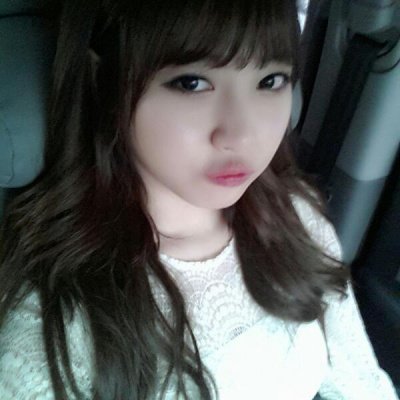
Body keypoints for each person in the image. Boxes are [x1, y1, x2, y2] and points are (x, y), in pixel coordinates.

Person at [0, 0, 398, 399]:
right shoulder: (56, 319)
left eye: (270, 81)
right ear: (104, 80)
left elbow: (360, 379)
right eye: (191, 83)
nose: (242, 135)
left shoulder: (296, 213)